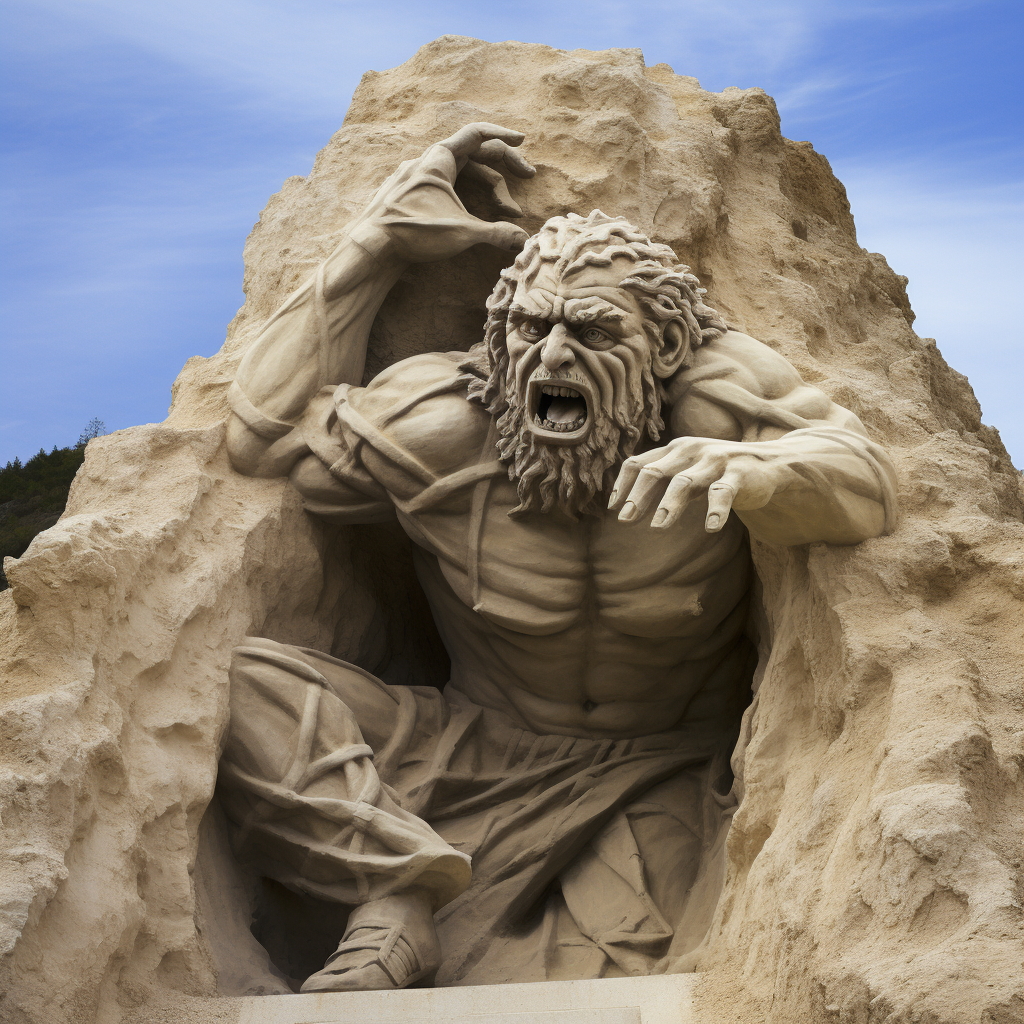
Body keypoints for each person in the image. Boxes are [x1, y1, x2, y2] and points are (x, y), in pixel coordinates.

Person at [219, 124, 896, 991]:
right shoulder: (441, 430)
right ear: (497, 344)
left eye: (591, 330)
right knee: (247, 686)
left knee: (617, 970)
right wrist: (371, 246)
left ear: (665, 351)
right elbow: (261, 436)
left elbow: (870, 483)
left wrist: (758, 468)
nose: (553, 355)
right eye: (531, 329)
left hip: (654, 766)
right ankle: (395, 883)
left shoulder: (716, 405)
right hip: (467, 743)